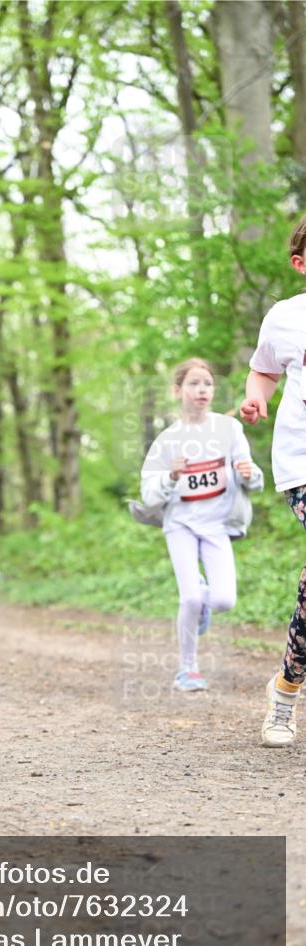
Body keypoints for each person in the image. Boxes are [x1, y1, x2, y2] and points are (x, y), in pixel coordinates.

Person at [140, 358, 263, 692]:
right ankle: (187, 670)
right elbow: (149, 494)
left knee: (223, 601)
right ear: (177, 391)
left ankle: (203, 604)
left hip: (217, 525)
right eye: (194, 384)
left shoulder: (229, 429)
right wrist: (171, 476)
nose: (202, 390)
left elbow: (254, 481)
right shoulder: (167, 439)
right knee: (190, 598)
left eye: (207, 383)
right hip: (179, 523)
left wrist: (250, 475)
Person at [240, 214, 306, 747]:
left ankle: (285, 686)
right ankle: (284, 703)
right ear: (300, 264)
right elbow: (263, 370)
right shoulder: (285, 318)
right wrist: (257, 395)